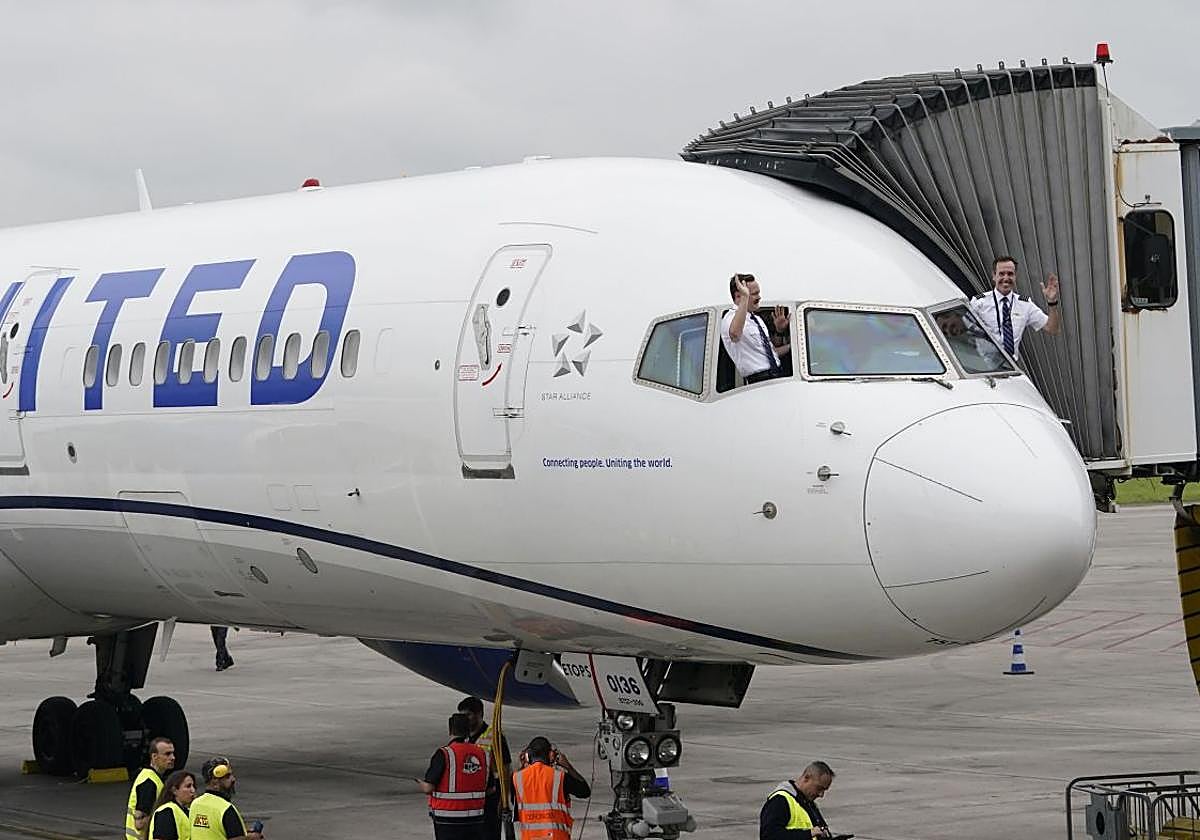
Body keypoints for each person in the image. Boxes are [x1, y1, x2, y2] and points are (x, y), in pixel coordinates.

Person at [968, 256, 1061, 361]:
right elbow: (964, 333)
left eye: (1010, 274)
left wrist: (1052, 302)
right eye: (1001, 274)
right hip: (985, 366)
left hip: (1012, 367)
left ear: (1015, 276)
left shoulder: (1025, 304)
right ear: (994, 276)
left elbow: (1052, 328)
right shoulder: (979, 302)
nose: (1006, 278)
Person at [419, 713, 490, 840]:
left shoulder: (444, 754)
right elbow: (491, 788)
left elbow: (428, 788)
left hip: (448, 819)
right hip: (475, 818)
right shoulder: (483, 754)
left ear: (450, 730)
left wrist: (419, 783)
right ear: (469, 731)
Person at [512, 736, 590, 840]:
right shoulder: (560, 777)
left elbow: (516, 810)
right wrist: (568, 766)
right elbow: (584, 791)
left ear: (527, 756)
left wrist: (522, 766)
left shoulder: (517, 779)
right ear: (551, 755)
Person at [458, 696, 513, 840]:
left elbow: (505, 768)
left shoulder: (494, 736)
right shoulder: (462, 737)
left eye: (468, 715)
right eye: (462, 716)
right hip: (470, 797)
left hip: (490, 797)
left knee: (489, 834)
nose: (465, 719)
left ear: (479, 714)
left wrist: (504, 798)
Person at [720, 273, 791, 383]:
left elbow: (772, 352)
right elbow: (735, 334)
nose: (759, 297)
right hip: (760, 379)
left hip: (776, 374)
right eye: (754, 294)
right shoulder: (730, 318)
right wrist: (745, 298)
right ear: (738, 296)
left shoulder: (756, 319)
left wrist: (782, 333)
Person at [759, 761, 836, 840]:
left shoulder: (808, 803)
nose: (821, 795)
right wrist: (809, 833)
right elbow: (769, 836)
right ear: (806, 778)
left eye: (824, 790)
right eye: (819, 788)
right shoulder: (780, 801)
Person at [190, 757, 262, 840]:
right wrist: (251, 838)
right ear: (214, 782)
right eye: (227, 777)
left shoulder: (195, 804)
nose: (233, 779)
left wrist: (245, 833)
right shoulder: (226, 809)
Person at [127, 737, 176, 840]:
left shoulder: (152, 777)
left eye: (172, 753)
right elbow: (140, 824)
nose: (172, 758)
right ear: (154, 757)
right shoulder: (149, 783)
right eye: (167, 754)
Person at [151, 769, 198, 840]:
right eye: (188, 786)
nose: (193, 790)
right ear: (174, 790)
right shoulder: (166, 812)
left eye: (193, 786)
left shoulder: (187, 811)